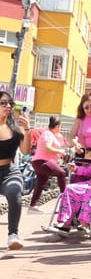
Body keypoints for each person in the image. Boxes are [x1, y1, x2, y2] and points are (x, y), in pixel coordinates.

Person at [0, 91, 32, 250]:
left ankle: (13, 235)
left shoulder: (16, 128)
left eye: (9, 103)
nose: (8, 106)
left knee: (14, 192)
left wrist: (27, 129)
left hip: (9, 172)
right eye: (3, 103)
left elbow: (26, 151)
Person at [51, 148, 91, 235]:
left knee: (89, 190)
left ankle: (85, 224)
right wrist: (76, 169)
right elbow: (89, 171)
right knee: (70, 188)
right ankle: (66, 223)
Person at [27, 116, 69, 212]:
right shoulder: (48, 134)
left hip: (39, 161)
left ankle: (33, 205)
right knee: (62, 173)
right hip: (42, 161)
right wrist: (60, 151)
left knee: (41, 183)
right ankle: (65, 201)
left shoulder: (51, 134)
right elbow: (47, 148)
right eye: (60, 127)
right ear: (57, 126)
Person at [69, 92, 91, 158]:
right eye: (86, 107)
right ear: (82, 107)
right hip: (83, 152)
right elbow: (71, 137)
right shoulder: (80, 119)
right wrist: (76, 145)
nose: (89, 110)